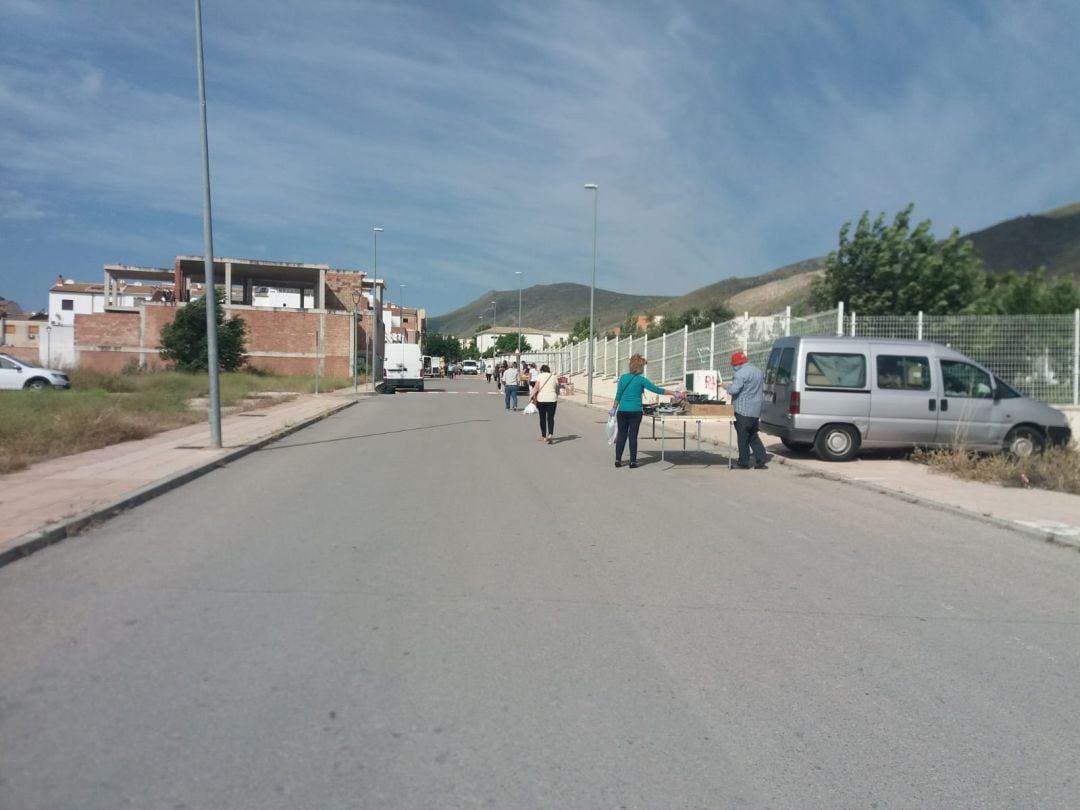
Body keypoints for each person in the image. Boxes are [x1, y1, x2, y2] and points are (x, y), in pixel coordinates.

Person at [612, 353, 682, 468]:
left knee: (621, 436)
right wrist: (673, 392)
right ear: (640, 367)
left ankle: (618, 460)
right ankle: (633, 462)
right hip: (635, 411)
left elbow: (618, 395)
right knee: (633, 436)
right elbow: (657, 390)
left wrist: (613, 408)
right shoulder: (641, 380)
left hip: (622, 411)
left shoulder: (623, 378)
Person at [722, 350, 768, 469]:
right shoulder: (758, 371)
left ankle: (743, 462)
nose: (733, 367)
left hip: (742, 410)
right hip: (755, 410)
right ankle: (761, 457)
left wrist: (727, 387)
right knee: (753, 434)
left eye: (733, 365)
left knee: (743, 437)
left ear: (737, 364)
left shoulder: (740, 374)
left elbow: (734, 390)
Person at [530, 364, 559, 443]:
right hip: (552, 399)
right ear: (549, 370)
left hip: (541, 400)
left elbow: (536, 387)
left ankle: (543, 436)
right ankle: (550, 434)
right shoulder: (554, 377)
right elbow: (557, 387)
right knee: (550, 418)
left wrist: (531, 396)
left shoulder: (540, 376)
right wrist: (556, 394)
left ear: (542, 370)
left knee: (542, 418)